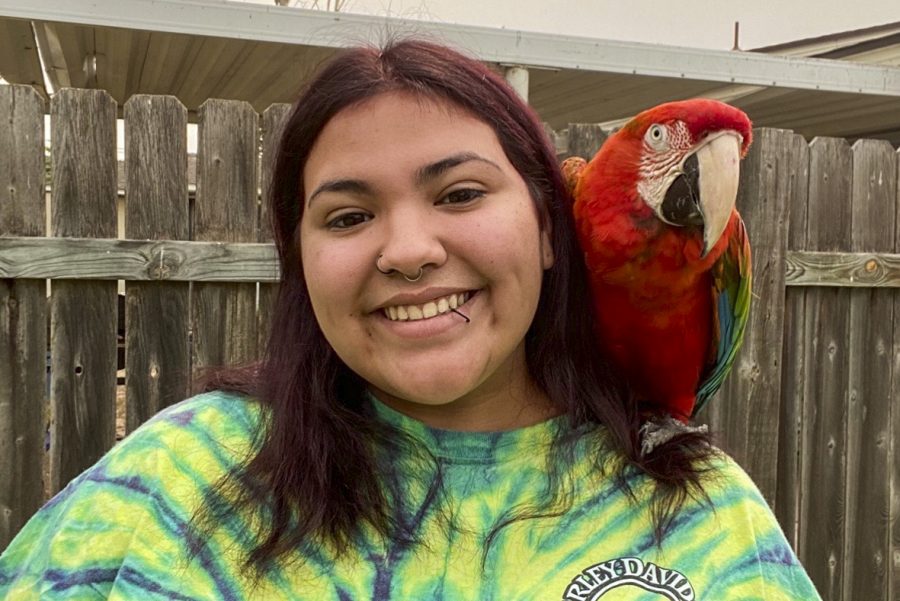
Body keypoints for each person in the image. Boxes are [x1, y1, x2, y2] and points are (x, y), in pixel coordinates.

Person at [0, 39, 821, 600]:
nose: (407, 250)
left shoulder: (702, 510)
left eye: (460, 194)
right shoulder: (173, 480)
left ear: (547, 229)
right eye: (348, 216)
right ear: (299, 259)